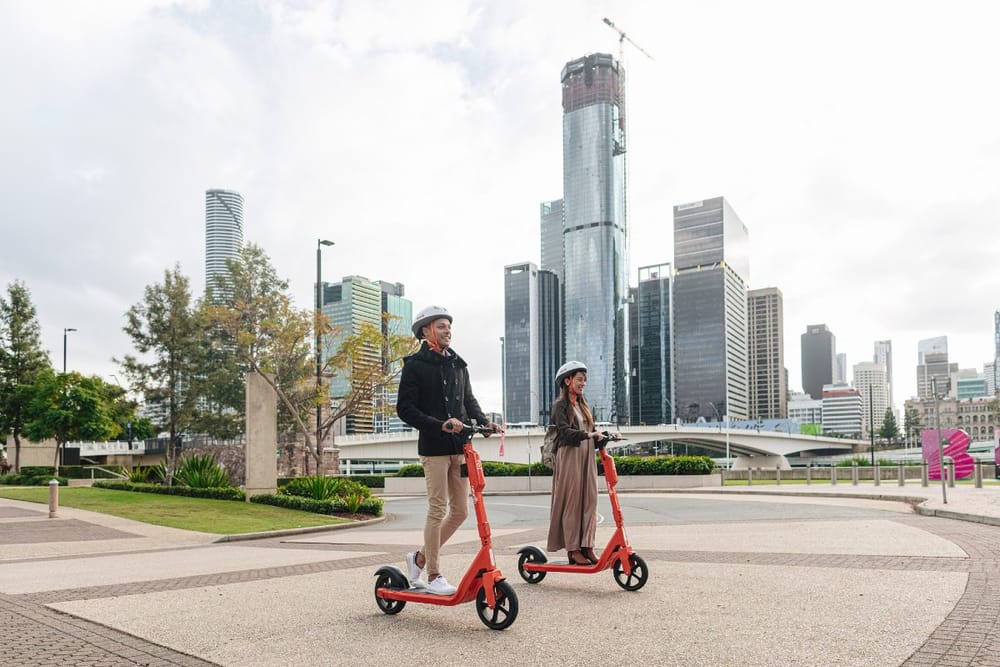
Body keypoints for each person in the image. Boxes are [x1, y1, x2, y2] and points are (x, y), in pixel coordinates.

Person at [396, 305, 500, 595]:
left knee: (461, 511)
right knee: (438, 509)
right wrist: (439, 425)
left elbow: (469, 401)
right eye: (441, 326)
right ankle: (433, 574)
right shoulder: (415, 366)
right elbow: (405, 409)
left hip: (461, 447)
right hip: (434, 449)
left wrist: (484, 422)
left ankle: (418, 558)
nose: (447, 331)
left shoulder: (458, 364)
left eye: (449, 326)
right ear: (426, 330)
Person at [547, 361, 606, 565]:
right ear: (568, 381)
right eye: (580, 379)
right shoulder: (560, 406)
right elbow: (564, 432)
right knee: (572, 502)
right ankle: (573, 549)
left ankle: (587, 546)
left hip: (587, 456)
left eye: (585, 380)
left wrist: (604, 436)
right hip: (570, 455)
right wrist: (588, 435)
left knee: (590, 500)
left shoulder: (583, 405)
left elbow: (592, 432)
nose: (583, 383)